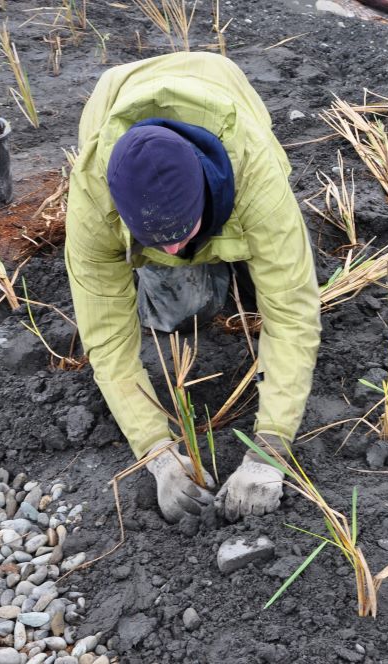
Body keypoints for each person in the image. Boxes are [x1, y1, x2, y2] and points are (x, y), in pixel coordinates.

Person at [65, 52, 321, 524]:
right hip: (114, 93)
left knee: (285, 274)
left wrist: (271, 449)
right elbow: (107, 338)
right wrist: (156, 453)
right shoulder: (91, 203)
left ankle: (238, 258)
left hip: (221, 85)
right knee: (182, 310)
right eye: (156, 242)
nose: (176, 248)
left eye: (183, 232)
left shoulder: (256, 178)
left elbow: (292, 315)